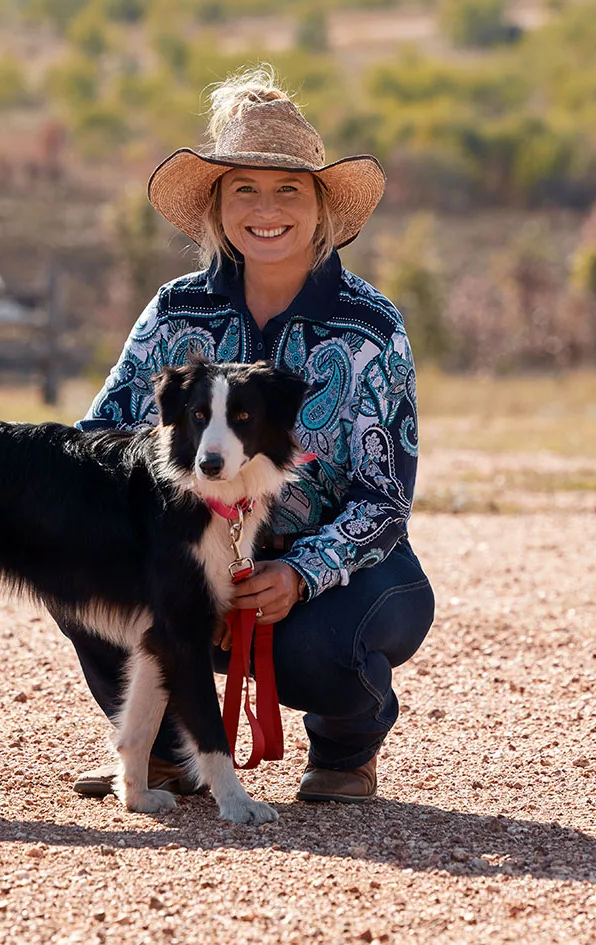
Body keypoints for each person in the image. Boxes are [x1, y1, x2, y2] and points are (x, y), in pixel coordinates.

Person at [64, 66, 435, 804]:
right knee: (78, 568)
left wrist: (297, 572)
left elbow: (384, 497)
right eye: (245, 189)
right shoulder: (174, 312)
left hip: (333, 577)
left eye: (288, 189)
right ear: (218, 206)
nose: (266, 209)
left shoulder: (371, 327)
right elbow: (98, 440)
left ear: (320, 205)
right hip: (187, 560)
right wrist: (175, 559)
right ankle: (166, 753)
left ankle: (346, 747)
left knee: (325, 649)